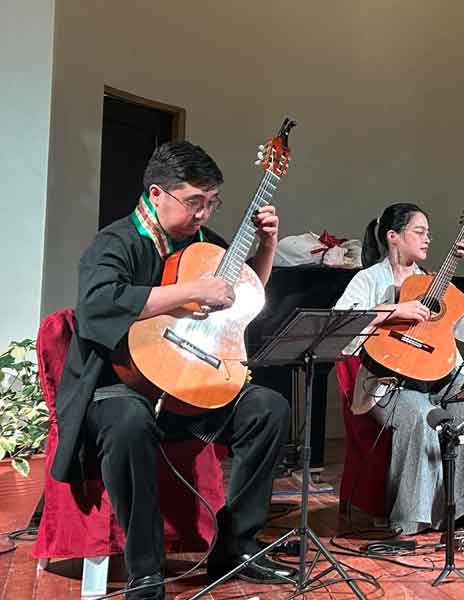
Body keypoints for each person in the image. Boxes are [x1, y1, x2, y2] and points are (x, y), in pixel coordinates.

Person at [53, 142, 296, 600]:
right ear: (157, 193)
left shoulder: (203, 245)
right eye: (195, 202)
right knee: (129, 421)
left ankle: (236, 548)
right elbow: (96, 307)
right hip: (118, 384)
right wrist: (187, 291)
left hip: (190, 385)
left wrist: (267, 247)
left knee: (268, 407)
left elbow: (242, 297)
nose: (204, 214)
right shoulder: (116, 241)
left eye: (212, 203)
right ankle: (145, 573)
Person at [334, 202, 464, 534]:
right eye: (419, 232)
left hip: (437, 377)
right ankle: (411, 520)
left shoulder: (431, 283)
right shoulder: (368, 279)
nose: (427, 240)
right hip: (390, 385)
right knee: (421, 414)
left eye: (429, 233)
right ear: (393, 236)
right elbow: (342, 326)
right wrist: (396, 310)